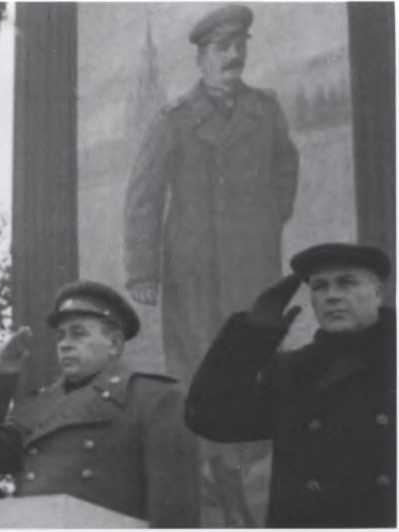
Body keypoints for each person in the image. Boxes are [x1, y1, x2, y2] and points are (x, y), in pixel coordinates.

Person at [123, 4, 299, 523]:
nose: (234, 56)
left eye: (239, 46)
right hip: (193, 273)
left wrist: (264, 219)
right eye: (223, 47)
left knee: (256, 360)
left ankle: (254, 481)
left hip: (253, 266)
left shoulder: (266, 111)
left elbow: (286, 167)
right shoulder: (173, 120)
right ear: (201, 57)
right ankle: (208, 485)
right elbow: (143, 198)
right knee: (198, 368)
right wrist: (143, 270)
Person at [0, 281, 199, 527]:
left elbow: (174, 513)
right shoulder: (39, 407)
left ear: (114, 344)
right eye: (61, 336)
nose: (64, 344)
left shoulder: (154, 399)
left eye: (78, 333)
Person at [185, 242, 396, 527]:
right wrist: (253, 335)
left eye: (347, 283)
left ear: (378, 293)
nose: (332, 296)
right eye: (320, 287)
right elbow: (209, 417)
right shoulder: (292, 370)